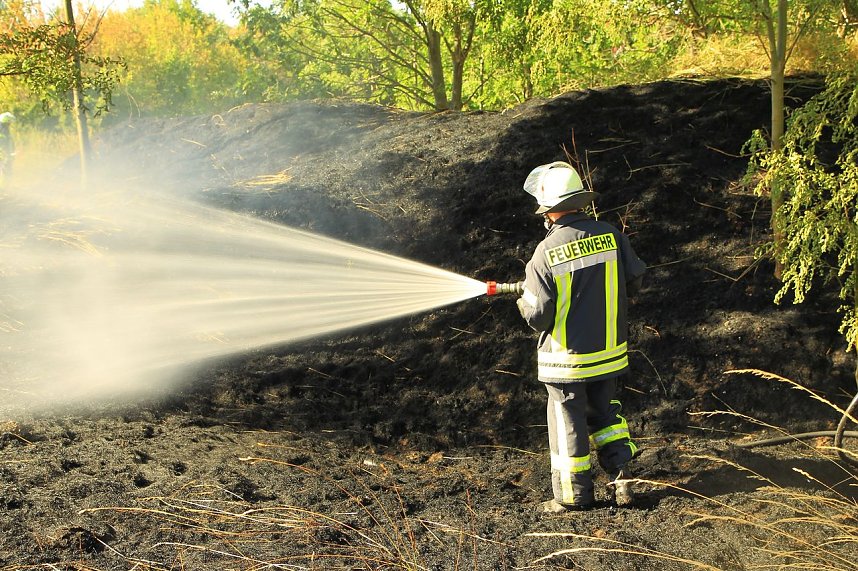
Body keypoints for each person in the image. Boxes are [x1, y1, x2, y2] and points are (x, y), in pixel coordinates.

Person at [515, 161, 646, 513]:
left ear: (549, 210)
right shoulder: (611, 235)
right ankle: (623, 482)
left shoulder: (545, 252)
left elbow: (538, 313)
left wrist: (522, 300)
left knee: (567, 422)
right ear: (580, 201)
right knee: (607, 415)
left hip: (566, 361)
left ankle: (573, 497)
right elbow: (634, 279)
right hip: (609, 352)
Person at [0, 112, 15, 185]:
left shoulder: (4, 129)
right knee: (5, 169)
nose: (10, 124)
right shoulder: (3, 130)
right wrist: (8, 154)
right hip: (3, 154)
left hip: (5, 154)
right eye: (9, 122)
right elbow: (4, 143)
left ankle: (6, 186)